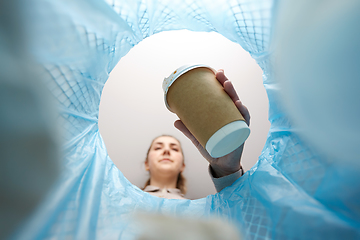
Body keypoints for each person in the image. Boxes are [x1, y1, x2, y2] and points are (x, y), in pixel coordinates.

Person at [143, 69, 250, 199]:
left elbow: (242, 217)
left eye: (175, 148)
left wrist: (227, 170)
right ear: (146, 164)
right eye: (158, 147)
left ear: (182, 165)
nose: (166, 151)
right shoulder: (121, 201)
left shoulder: (201, 211)